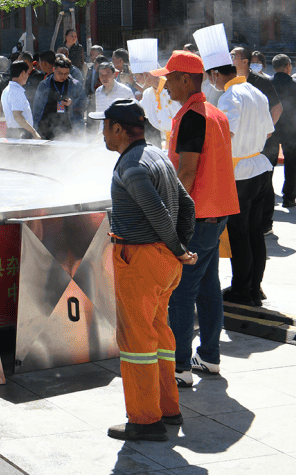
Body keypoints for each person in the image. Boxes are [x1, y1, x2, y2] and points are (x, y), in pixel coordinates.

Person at [92, 99, 195, 442]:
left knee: (136, 341)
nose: (102, 133)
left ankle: (145, 420)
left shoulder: (131, 166)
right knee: (160, 334)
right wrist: (177, 249)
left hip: (139, 260)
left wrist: (179, 249)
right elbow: (187, 205)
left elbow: (157, 212)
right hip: (163, 262)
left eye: (104, 126)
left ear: (118, 129)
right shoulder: (158, 156)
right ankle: (169, 408)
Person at [153, 49, 238, 389]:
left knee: (182, 291)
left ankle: (180, 365)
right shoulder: (215, 113)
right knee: (208, 285)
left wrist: (170, 218)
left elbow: (187, 171)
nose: (165, 85)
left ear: (185, 79)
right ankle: (211, 356)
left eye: (169, 78)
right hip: (217, 213)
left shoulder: (192, 116)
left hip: (196, 215)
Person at [206, 60, 274, 306]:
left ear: (215, 74)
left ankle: (242, 290)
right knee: (255, 232)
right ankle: (255, 287)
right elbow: (268, 130)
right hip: (259, 167)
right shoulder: (255, 91)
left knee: (239, 234)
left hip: (240, 173)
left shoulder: (229, 96)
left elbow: (227, 132)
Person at [233, 46, 281, 234]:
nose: (230, 59)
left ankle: (266, 222)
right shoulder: (233, 81)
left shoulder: (260, 81)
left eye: (233, 56)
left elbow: (277, 108)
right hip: (244, 141)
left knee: (265, 181)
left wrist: (267, 132)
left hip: (263, 140)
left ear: (245, 61)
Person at [270, 54, 296, 208]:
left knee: (268, 165)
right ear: (288, 66)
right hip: (292, 130)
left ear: (273, 67)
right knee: (291, 165)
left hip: (271, 129)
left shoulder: (266, 84)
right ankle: (289, 198)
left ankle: (267, 196)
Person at [33, 54, 86, 140]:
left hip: (70, 130)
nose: (63, 76)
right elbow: (36, 109)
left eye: (66, 73)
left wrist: (72, 103)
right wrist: (35, 130)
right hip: (46, 129)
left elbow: (85, 103)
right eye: (60, 73)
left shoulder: (76, 85)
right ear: (54, 70)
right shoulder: (44, 84)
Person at [1, 61, 40, 139]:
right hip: (20, 133)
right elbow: (17, 115)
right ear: (23, 73)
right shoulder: (16, 91)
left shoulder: (7, 89)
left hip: (14, 132)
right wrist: (34, 132)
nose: (27, 76)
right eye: (27, 73)